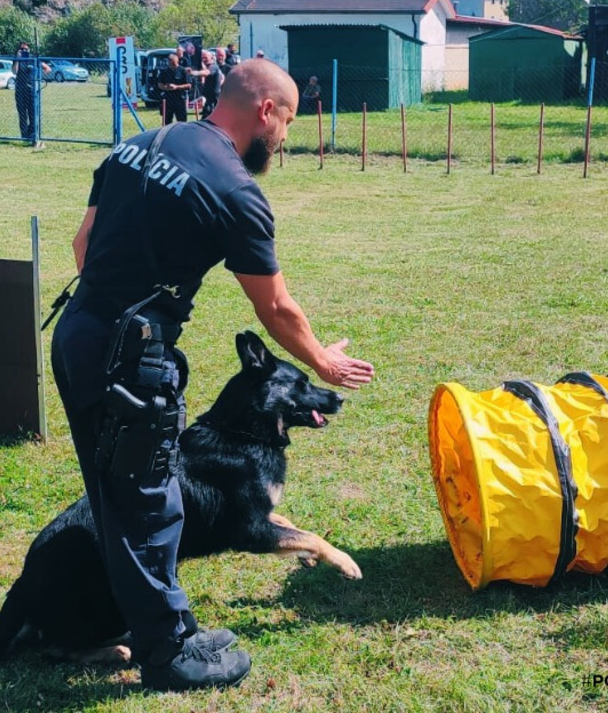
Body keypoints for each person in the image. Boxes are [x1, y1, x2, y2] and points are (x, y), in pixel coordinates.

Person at [53, 58, 374, 693]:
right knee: (149, 503)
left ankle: (132, 625)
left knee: (117, 498)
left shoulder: (136, 146)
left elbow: (82, 245)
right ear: (265, 111)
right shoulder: (235, 190)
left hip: (78, 336)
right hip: (129, 358)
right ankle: (168, 654)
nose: (283, 141)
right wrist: (323, 362)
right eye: (286, 124)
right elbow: (275, 306)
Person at [13, 42, 49, 141]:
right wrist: (17, 58)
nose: (24, 51)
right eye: (22, 49)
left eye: (26, 49)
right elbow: (14, 71)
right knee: (22, 114)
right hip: (20, 89)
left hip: (32, 89)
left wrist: (40, 75)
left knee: (33, 113)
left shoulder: (33, 59)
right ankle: (24, 136)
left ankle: (32, 135)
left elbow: (47, 69)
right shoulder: (18, 60)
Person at [157, 53, 190, 124]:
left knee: (182, 121)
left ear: (177, 61)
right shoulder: (164, 72)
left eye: (173, 62)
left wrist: (176, 87)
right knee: (167, 121)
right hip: (168, 99)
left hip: (180, 99)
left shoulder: (183, 70)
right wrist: (166, 87)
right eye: (170, 62)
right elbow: (159, 84)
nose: (171, 64)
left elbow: (189, 85)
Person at [191, 50, 222, 119]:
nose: (203, 59)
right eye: (202, 58)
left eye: (205, 57)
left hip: (214, 101)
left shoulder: (213, 66)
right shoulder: (208, 67)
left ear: (211, 58)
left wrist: (194, 73)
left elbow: (206, 72)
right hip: (209, 99)